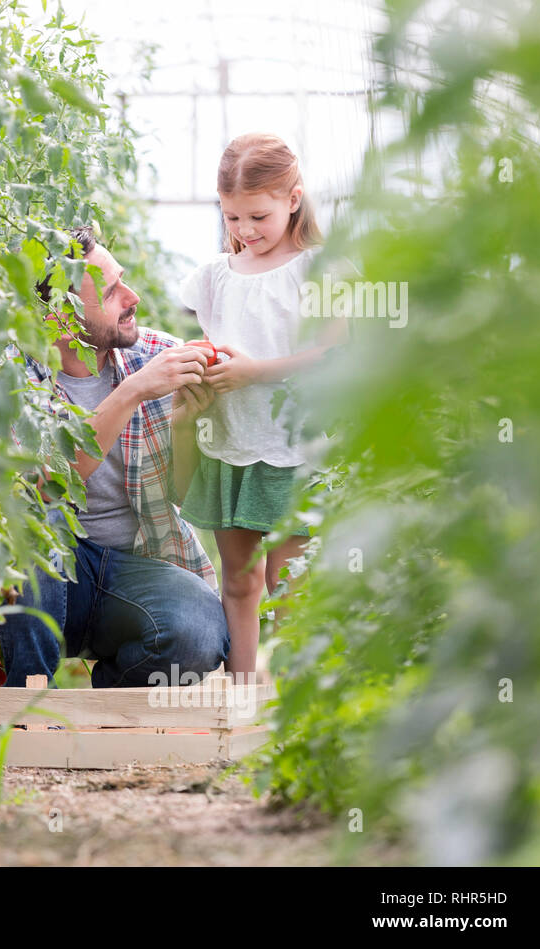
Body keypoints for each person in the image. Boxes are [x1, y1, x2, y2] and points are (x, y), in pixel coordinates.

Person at [0, 225, 228, 689]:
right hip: (45, 579)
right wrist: (132, 392)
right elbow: (50, 484)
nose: (132, 295)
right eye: (111, 291)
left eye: (121, 279)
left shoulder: (157, 356)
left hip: (133, 569)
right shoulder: (9, 377)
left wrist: (185, 424)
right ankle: (28, 705)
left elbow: (183, 494)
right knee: (36, 522)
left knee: (200, 633)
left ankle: (104, 703)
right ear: (58, 319)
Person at [178, 133, 349, 682]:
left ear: (293, 199)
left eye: (257, 216)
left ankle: (299, 693)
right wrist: (208, 368)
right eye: (231, 218)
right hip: (232, 444)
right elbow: (214, 346)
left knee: (289, 579)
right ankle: (242, 693)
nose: (244, 231)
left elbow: (330, 352)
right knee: (239, 579)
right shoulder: (215, 278)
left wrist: (255, 371)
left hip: (291, 446)